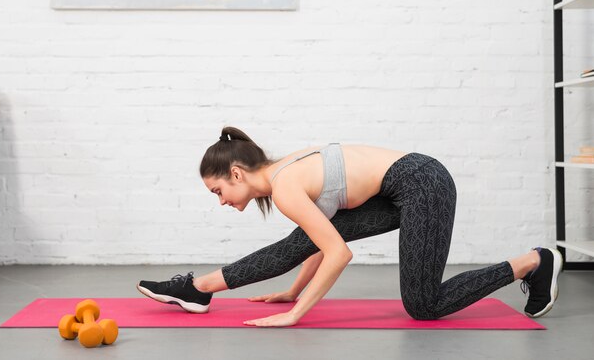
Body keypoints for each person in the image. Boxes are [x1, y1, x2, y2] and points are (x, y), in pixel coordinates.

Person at [137, 126, 563, 327]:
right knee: (294, 245)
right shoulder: (285, 176)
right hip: (400, 188)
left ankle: (532, 262)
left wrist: (295, 314)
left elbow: (339, 252)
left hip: (422, 185)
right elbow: (321, 241)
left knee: (424, 305)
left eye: (217, 192)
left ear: (235, 173)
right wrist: (293, 289)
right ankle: (197, 288)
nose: (221, 202)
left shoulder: (286, 186)